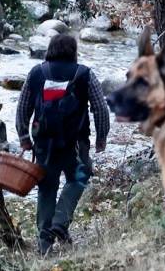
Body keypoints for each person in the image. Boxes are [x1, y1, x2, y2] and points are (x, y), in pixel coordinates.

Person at [16, 34, 110, 255]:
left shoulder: (36, 73)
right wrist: (101, 137)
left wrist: (23, 137)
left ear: (50, 49)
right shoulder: (84, 74)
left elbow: (23, 106)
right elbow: (100, 108)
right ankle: (60, 222)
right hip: (76, 142)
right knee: (79, 178)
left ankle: (44, 242)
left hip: (44, 143)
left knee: (47, 187)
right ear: (73, 51)